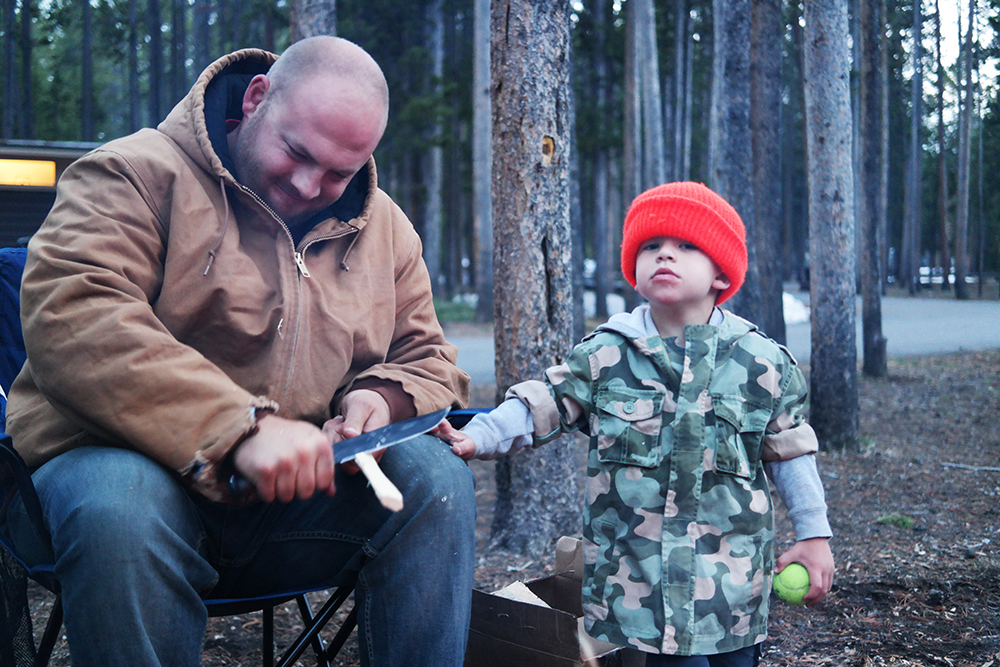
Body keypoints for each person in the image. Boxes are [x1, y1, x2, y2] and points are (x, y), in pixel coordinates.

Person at [1, 36, 475, 667]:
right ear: (256, 99)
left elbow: (429, 355)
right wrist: (240, 428)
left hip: (286, 508)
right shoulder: (131, 174)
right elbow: (77, 320)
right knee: (121, 498)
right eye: (297, 152)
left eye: (340, 172)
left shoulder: (384, 226)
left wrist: (379, 397)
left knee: (436, 480)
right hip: (116, 483)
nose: (311, 186)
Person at [435, 182, 835, 666]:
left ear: (720, 272)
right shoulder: (605, 355)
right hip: (639, 595)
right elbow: (541, 403)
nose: (665, 254)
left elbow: (791, 453)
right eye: (651, 246)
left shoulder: (762, 364)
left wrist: (814, 537)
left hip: (732, 597)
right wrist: (478, 436)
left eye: (687, 246)